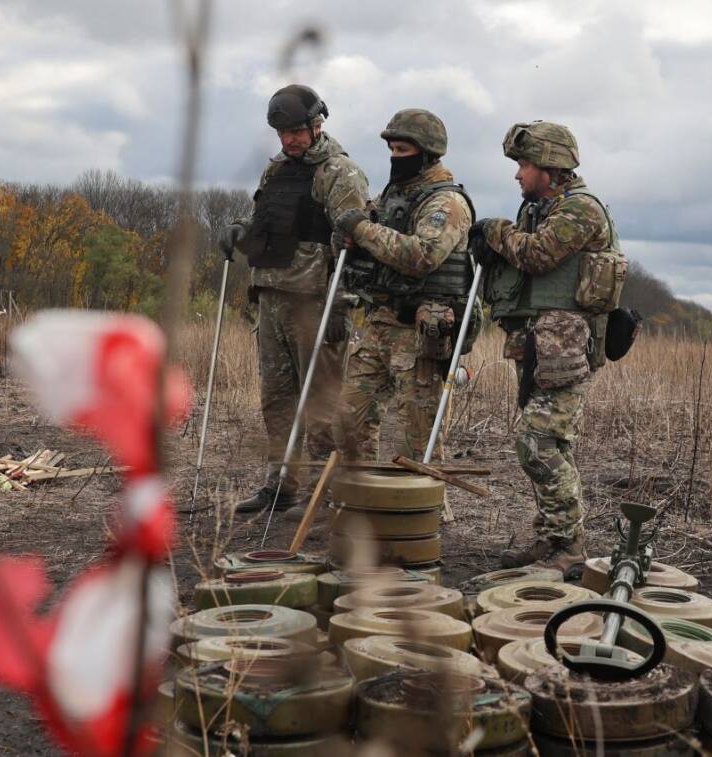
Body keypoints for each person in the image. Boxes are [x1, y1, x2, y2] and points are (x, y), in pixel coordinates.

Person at [470, 121, 626, 577]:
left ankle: (568, 547)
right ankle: (553, 535)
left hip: (566, 345)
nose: (518, 174)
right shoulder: (541, 209)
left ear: (551, 167)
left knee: (536, 442)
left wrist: (495, 231)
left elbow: (538, 255)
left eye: (524, 164)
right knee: (546, 440)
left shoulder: (580, 211)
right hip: (541, 343)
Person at [221, 84, 369, 514]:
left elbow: (354, 243)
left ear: (316, 125)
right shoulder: (276, 171)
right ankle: (282, 483)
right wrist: (238, 230)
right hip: (271, 294)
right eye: (282, 133)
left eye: (296, 132)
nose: (289, 140)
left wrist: (341, 304)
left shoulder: (340, 173)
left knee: (320, 401)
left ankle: (326, 491)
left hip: (315, 301)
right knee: (277, 398)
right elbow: (262, 219)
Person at [331, 108, 476, 463]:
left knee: (418, 440)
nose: (395, 158)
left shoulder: (446, 202)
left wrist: (362, 231)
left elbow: (422, 255)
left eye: (402, 151)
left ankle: (426, 515)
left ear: (426, 153)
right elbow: (366, 238)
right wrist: (347, 238)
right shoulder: (394, 195)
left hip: (418, 330)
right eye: (392, 150)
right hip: (379, 322)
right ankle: (362, 499)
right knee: (349, 418)